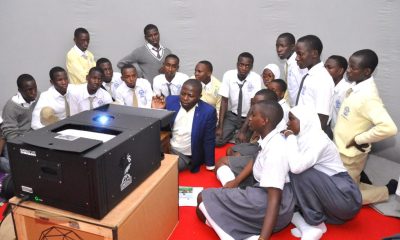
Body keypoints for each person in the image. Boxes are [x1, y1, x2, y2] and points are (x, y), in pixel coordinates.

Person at [196, 101, 295, 240]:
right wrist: (235, 182)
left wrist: (263, 238)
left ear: (264, 121)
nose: (249, 118)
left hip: (271, 205)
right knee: (202, 209)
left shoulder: (276, 149)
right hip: (261, 195)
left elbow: (275, 199)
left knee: (202, 199)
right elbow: (255, 160)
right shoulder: (269, 138)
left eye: (253, 115)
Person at [284, 106, 362, 239]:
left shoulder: (318, 140)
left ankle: (315, 224)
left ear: (305, 121)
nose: (287, 123)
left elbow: (296, 167)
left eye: (291, 119)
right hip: (331, 195)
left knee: (299, 173)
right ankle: (314, 221)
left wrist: (290, 137)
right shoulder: (304, 137)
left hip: (345, 197)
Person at [334, 49, 398, 205]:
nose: (348, 70)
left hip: (350, 154)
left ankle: (386, 190)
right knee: (343, 186)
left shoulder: (369, 96)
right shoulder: (357, 86)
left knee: (345, 199)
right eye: (349, 65)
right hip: (340, 149)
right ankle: (359, 186)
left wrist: (359, 139)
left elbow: (389, 128)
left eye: (353, 68)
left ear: (367, 71)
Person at [152, 79, 217, 173]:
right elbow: (160, 129)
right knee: (147, 160)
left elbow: (209, 139)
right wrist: (158, 111)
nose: (185, 98)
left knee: (164, 169)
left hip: (184, 155)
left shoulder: (208, 112)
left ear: (199, 97)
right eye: (183, 94)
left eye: (190, 95)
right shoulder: (170, 101)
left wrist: (210, 165)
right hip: (166, 146)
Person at [216, 52, 262, 146]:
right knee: (217, 141)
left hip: (248, 117)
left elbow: (254, 105)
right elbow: (224, 102)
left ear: (251, 67)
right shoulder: (228, 75)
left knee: (242, 144)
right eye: (241, 65)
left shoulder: (256, 78)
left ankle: (237, 133)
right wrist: (220, 126)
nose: (244, 68)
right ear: (237, 64)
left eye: (247, 66)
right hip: (232, 116)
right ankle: (232, 133)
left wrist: (243, 130)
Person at [295, 35, 334, 133]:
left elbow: (322, 117)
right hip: (303, 131)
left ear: (314, 54)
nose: (296, 58)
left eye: (300, 54)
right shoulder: (311, 75)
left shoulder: (322, 79)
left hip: (311, 135)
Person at [1, 74, 38, 172]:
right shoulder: (11, 107)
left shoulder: (38, 97)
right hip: (17, 142)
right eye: (29, 90)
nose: (33, 92)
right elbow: (10, 133)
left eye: (35, 88)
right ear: (20, 90)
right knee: (19, 169)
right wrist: (25, 148)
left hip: (33, 138)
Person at [276, 33, 308, 107]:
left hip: (299, 108)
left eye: (282, 46)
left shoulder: (298, 64)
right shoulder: (287, 65)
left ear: (293, 47)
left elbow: (302, 90)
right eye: (277, 46)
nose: (279, 49)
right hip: (291, 107)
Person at [324, 55, 352, 131]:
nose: (325, 70)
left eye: (329, 68)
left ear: (340, 71)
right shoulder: (325, 87)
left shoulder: (347, 91)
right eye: (324, 67)